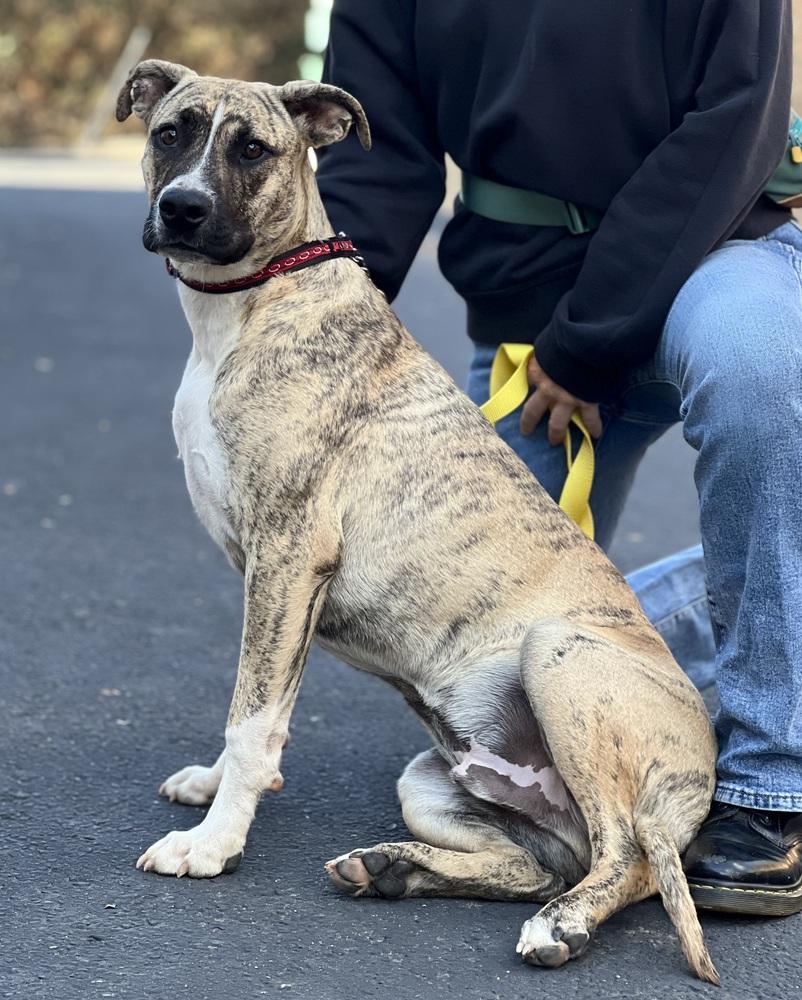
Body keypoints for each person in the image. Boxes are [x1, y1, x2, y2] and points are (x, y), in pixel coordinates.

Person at [315, 0, 802, 915]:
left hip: (721, 246)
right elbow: (376, 160)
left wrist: (585, 342)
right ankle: (749, 630)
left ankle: (769, 788)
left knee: (761, 372)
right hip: (526, 292)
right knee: (480, 668)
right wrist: (319, 330)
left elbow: (739, 113)